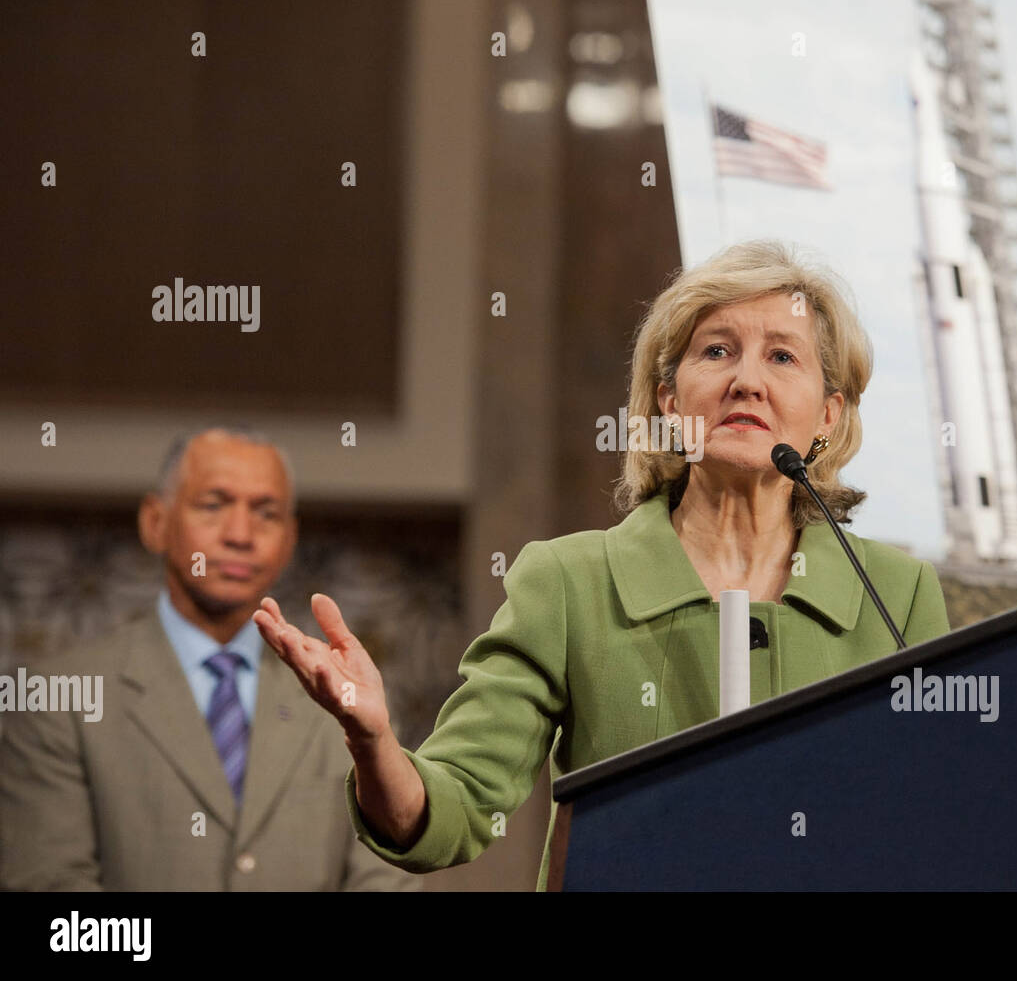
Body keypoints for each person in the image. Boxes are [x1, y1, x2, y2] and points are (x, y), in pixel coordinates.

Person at [255, 241, 951, 891]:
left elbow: (944, 821)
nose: (746, 381)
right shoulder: (570, 582)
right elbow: (454, 813)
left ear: (828, 414)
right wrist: (374, 740)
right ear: (671, 403)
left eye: (781, 357)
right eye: (717, 351)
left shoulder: (894, 595)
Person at [0, 428, 418, 891]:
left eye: (267, 513)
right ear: (155, 522)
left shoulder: (346, 698)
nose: (240, 535)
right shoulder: (59, 699)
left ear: (290, 537)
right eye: (213, 505)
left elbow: (385, 879)